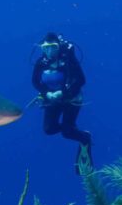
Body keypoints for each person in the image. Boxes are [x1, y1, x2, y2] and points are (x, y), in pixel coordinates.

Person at [32, 32, 92, 175]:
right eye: (46, 47)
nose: (49, 51)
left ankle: (84, 138)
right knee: (49, 129)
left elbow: (81, 80)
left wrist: (62, 93)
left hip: (71, 100)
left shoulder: (68, 60)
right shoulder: (41, 62)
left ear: (59, 46)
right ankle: (70, 128)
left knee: (67, 132)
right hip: (52, 99)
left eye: (53, 47)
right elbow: (35, 81)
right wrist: (46, 93)